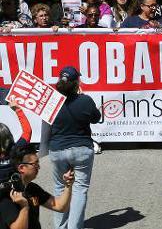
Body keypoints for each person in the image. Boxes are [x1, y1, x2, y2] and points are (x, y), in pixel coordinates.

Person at [48, 66, 100, 229]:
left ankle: (60, 226)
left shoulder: (52, 101)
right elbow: (96, 118)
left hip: (57, 150)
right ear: (77, 82)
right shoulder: (85, 100)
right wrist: (81, 96)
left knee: (59, 188)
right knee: (79, 189)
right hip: (81, 150)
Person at [0, 143, 74, 229]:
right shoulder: (7, 194)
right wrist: (24, 207)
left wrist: (68, 185)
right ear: (21, 168)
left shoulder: (32, 188)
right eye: (35, 164)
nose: (38, 167)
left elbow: (60, 206)